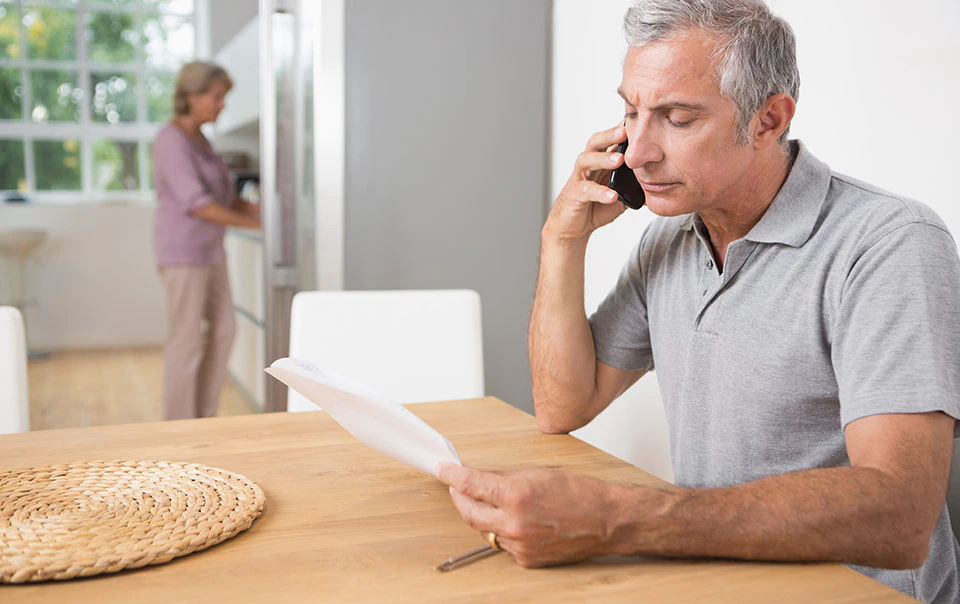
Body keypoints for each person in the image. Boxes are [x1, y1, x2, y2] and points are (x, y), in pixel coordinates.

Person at [435, 1, 960, 602]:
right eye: (631, 112)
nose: (636, 152)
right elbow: (564, 404)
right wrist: (562, 238)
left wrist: (618, 517)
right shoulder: (673, 236)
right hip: (716, 580)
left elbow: (900, 517)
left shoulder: (889, 244)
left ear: (768, 120)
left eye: (677, 118)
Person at [152, 61, 261, 421]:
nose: (222, 104)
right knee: (187, 339)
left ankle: (203, 416)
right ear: (191, 96)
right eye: (217, 97)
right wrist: (252, 223)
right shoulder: (171, 140)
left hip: (212, 251)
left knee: (225, 328)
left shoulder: (203, 141)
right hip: (183, 253)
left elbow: (226, 197)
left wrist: (266, 214)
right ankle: (180, 426)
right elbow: (197, 203)